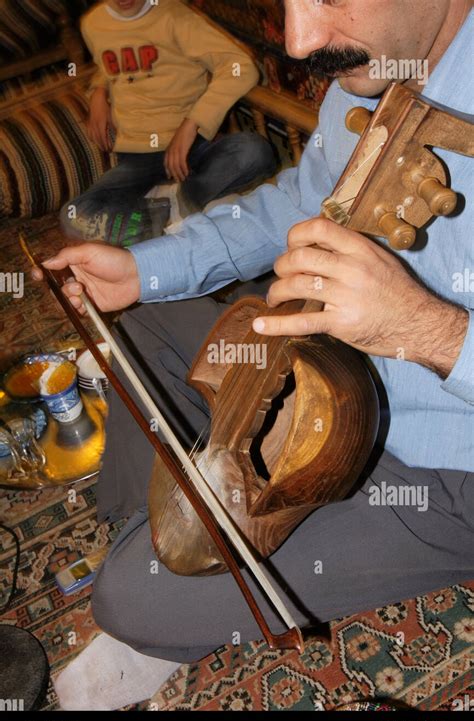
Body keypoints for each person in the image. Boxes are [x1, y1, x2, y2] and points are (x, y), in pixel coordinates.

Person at [35, 0, 473, 670]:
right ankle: (149, 525)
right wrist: (141, 269)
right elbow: (301, 203)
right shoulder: (369, 61)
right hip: (325, 359)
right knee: (140, 317)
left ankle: (161, 578)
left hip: (443, 462)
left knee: (128, 596)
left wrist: (426, 328)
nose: (300, 41)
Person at [60, 0, 276, 246]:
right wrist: (98, 91)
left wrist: (192, 123)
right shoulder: (93, 23)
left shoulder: (175, 17)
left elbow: (241, 67)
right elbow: (108, 61)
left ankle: (167, 210)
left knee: (254, 150)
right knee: (74, 216)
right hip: (137, 159)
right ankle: (178, 209)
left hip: (193, 148)